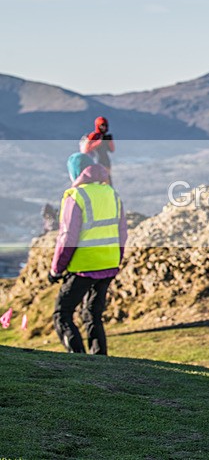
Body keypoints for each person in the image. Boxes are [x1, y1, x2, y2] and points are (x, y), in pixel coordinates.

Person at [50, 152, 127, 355]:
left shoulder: (76, 196)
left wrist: (56, 269)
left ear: (75, 173)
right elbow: (122, 233)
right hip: (109, 264)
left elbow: (67, 237)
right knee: (92, 314)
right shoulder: (112, 193)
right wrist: (116, 259)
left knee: (62, 313)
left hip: (84, 265)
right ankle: (99, 359)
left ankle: (77, 359)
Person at [82, 116, 115, 182]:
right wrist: (99, 142)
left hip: (105, 161)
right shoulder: (93, 136)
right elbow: (86, 150)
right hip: (95, 161)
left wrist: (109, 141)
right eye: (102, 125)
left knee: (108, 180)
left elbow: (112, 150)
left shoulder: (106, 137)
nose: (104, 127)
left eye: (105, 125)